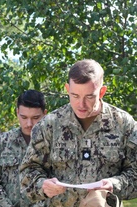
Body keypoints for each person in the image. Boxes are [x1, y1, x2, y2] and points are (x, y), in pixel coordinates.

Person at [19, 59, 137, 206]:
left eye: (89, 96)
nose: (81, 104)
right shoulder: (49, 125)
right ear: (67, 89)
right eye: (75, 96)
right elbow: (27, 172)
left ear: (102, 92)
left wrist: (115, 184)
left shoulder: (124, 124)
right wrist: (42, 185)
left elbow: (135, 174)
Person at [0, 89, 48, 207]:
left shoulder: (55, 145)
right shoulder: (1, 144)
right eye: (24, 117)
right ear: (17, 112)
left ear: (45, 114)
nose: (29, 123)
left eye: (35, 117)